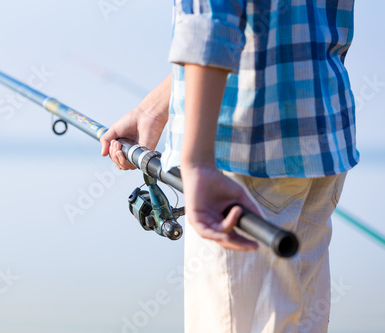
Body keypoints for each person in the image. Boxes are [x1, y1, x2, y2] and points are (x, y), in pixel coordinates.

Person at [100, 0, 358, 332]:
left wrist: (198, 163)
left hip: (240, 153)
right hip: (324, 137)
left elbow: (210, 22)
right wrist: (154, 109)